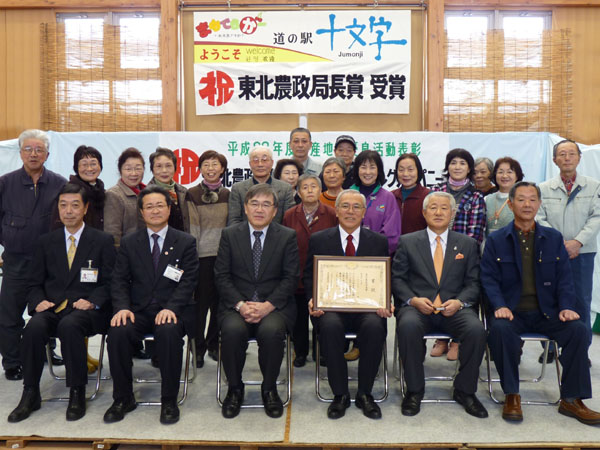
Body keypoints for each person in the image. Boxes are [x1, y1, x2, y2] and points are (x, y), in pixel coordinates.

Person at [481, 181, 600, 425]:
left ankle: (572, 398)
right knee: (500, 330)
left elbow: (565, 279)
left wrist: (567, 306)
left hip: (547, 312)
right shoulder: (496, 240)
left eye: (532, 199)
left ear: (539, 203)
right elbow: (488, 279)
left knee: (578, 330)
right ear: (511, 204)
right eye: (521, 199)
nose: (527, 204)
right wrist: (498, 306)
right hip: (511, 313)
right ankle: (512, 394)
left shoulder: (553, 238)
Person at [7, 183, 116, 423]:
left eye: (75, 205)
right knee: (33, 327)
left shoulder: (102, 240)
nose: (68, 211)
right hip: (54, 307)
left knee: (71, 326)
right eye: (63, 205)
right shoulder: (46, 241)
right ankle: (30, 392)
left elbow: (111, 282)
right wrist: (38, 301)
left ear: (85, 208)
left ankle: (77, 391)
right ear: (58, 208)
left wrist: (93, 301)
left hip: (87, 310)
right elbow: (33, 282)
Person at [103, 186, 199, 425]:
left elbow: (188, 281)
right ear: (142, 212)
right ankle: (123, 398)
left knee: (168, 333)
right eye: (149, 206)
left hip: (171, 309)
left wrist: (173, 308)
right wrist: (122, 307)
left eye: (160, 205)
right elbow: (119, 279)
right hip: (138, 309)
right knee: (117, 333)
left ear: (168, 209)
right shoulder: (130, 242)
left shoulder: (185, 241)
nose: (155, 210)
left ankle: (168, 400)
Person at [392, 191, 487, 419]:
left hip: (454, 308)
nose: (438, 212)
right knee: (407, 327)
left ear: (453, 214)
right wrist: (413, 300)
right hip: (417, 307)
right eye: (432, 207)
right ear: (424, 213)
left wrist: (460, 302)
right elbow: (397, 279)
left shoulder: (467, 244)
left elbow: (474, 282)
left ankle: (465, 391)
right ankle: (414, 390)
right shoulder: (407, 242)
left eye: (444, 208)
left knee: (476, 330)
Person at [304, 190, 392, 420]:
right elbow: (308, 276)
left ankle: (365, 393)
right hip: (331, 307)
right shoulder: (320, 239)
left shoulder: (378, 241)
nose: (350, 211)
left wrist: (385, 301)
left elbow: (384, 277)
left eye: (356, 207)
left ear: (364, 212)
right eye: (345, 206)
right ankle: (340, 394)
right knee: (330, 326)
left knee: (375, 326)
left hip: (366, 308)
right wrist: (312, 299)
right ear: (336, 210)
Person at [215, 184, 299, 419]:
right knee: (232, 330)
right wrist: (241, 305)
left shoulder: (286, 236)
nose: (259, 209)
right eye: (254, 203)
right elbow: (221, 276)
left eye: (266, 205)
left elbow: (291, 277)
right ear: (245, 207)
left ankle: (269, 388)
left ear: (275, 211)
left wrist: (267, 306)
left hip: (274, 305)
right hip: (236, 304)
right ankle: (234, 388)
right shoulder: (230, 234)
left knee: (272, 332)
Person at [0, 129, 67, 381]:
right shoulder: (5, 183)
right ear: (20, 153)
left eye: (39, 149)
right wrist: (8, 238)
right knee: (10, 314)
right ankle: (13, 361)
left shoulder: (59, 183)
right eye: (28, 149)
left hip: (49, 262)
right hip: (16, 260)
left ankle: (50, 351)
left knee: (48, 310)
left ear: (47, 154)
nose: (33, 154)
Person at [537, 139, 600, 354]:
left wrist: (577, 242)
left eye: (571, 154)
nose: (567, 158)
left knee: (581, 299)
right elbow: (539, 217)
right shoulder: (543, 189)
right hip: (552, 252)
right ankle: (550, 348)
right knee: (551, 297)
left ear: (579, 157)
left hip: (583, 253)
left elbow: (597, 217)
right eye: (562, 154)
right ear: (554, 160)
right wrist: (559, 244)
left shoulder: (594, 186)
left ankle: (580, 350)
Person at [431, 148, 486, 360]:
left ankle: (457, 339)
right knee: (436, 287)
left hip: (463, 255)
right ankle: (442, 338)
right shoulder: (435, 191)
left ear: (469, 168)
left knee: (460, 292)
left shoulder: (476, 196)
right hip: (436, 251)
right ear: (447, 166)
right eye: (453, 162)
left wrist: (457, 253)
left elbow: (476, 233)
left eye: (462, 163)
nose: (457, 167)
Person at [282, 174, 337, 368]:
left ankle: (321, 351)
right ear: (298, 192)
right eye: (305, 187)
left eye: (314, 186)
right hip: (297, 273)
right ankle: (301, 351)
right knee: (298, 318)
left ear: (320, 191)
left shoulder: (331, 213)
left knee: (321, 316)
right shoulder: (290, 215)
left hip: (323, 276)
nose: (310, 190)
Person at [187, 150, 230, 368]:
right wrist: (193, 256)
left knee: (220, 304)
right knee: (200, 306)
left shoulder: (229, 194)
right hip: (201, 256)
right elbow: (193, 228)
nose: (211, 168)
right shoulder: (192, 194)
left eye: (215, 164)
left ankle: (214, 344)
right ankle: (198, 348)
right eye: (206, 164)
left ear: (223, 168)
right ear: (200, 168)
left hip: (223, 257)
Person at [227, 146, 295, 225]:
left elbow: (289, 221)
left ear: (272, 163)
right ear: (250, 164)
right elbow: (233, 220)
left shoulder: (285, 188)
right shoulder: (238, 188)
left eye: (264, 160)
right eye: (255, 160)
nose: (260, 164)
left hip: (278, 235)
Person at [350, 150, 401, 254]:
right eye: (363, 167)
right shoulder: (347, 195)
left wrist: (373, 252)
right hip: (349, 254)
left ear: (379, 170)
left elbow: (392, 234)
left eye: (372, 167)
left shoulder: (388, 197)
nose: (368, 172)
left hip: (377, 257)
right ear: (357, 170)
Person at [51, 145, 106, 230]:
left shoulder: (103, 192)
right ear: (77, 167)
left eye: (93, 164)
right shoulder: (68, 192)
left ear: (100, 166)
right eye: (84, 164)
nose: (89, 168)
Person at [104, 147, 146, 247]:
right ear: (120, 170)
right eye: (128, 169)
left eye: (138, 168)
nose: (134, 173)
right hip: (128, 255)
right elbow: (113, 234)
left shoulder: (147, 193)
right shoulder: (114, 195)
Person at [147, 147, 191, 233]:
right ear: (152, 169)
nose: (164, 171)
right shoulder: (146, 194)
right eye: (159, 166)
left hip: (182, 241)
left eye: (168, 166)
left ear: (175, 168)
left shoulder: (183, 192)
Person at [485, 157, 523, 237]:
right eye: (500, 172)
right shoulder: (486, 199)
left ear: (517, 176)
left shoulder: (522, 200)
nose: (504, 176)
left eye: (509, 172)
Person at [392, 153, 430, 235]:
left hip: (419, 246)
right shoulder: (391, 196)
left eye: (410, 169)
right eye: (401, 170)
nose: (405, 174)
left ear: (418, 171)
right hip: (393, 246)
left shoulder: (429, 196)